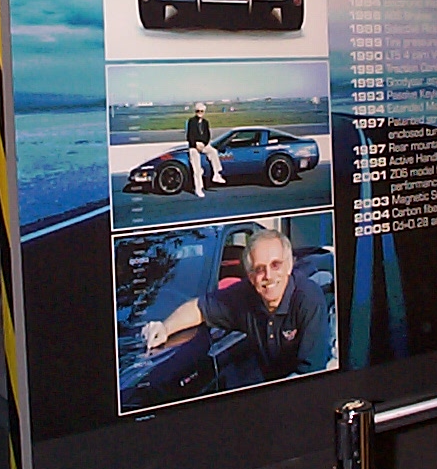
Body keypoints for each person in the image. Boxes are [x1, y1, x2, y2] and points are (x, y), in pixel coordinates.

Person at [141, 229, 329, 381]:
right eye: (259, 269)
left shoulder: (308, 299)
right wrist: (164, 328)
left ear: (289, 266)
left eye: (275, 265)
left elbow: (311, 375)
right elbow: (199, 308)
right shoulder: (244, 295)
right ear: (250, 276)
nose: (268, 276)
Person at [185, 102, 224, 198]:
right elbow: (189, 136)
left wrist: (204, 144)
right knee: (197, 169)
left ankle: (216, 174)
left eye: (201, 111)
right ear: (195, 111)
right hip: (194, 147)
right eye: (198, 111)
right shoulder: (191, 121)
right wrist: (195, 144)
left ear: (204, 112)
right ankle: (198, 189)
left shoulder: (205, 122)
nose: (200, 113)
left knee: (213, 152)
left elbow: (207, 135)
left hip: (203, 145)